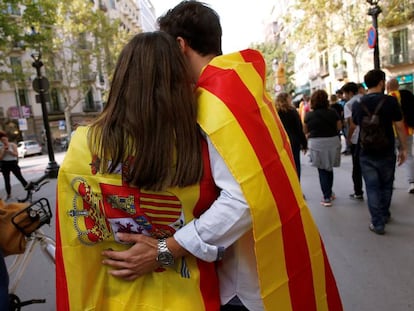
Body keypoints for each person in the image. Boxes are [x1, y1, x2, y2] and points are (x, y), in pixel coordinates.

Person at [102, 2, 343, 311]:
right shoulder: (242, 86)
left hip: (247, 280)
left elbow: (242, 199)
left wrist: (165, 249)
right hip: (272, 256)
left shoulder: (213, 100)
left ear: (180, 45)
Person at [56, 31, 221, 310]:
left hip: (110, 297)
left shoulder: (83, 145)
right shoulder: (199, 147)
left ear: (122, 80)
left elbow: (75, 243)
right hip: (187, 297)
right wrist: (162, 254)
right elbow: (212, 244)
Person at [352, 69, 407, 235]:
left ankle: (377, 223)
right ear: (381, 82)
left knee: (372, 186)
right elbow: (399, 126)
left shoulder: (358, 104)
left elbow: (355, 124)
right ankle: (384, 213)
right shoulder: (390, 101)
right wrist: (403, 148)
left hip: (366, 150)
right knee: (387, 184)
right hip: (386, 149)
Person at [304, 89, 342, 207]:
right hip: (332, 141)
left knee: (322, 170)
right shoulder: (333, 112)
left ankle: (326, 197)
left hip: (316, 143)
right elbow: (339, 127)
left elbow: (305, 130)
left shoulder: (309, 115)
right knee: (329, 168)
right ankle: (329, 193)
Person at [386, 78, 414, 194]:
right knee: (408, 156)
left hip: (391, 133)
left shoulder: (387, 98)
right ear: (398, 86)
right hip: (407, 130)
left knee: (390, 158)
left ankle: (390, 182)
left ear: (388, 87)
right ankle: (412, 182)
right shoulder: (407, 95)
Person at [275, 92, 307, 179]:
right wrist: (304, 143)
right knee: (295, 164)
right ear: (286, 100)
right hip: (293, 141)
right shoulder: (292, 112)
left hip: (280, 142)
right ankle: (296, 187)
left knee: (284, 165)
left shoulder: (275, 113)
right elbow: (299, 129)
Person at [342, 82, 364, 200]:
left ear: (350, 92)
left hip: (357, 139)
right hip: (371, 137)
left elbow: (352, 125)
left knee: (357, 167)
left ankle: (358, 191)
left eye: (345, 93)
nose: (344, 96)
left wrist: (348, 139)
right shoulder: (365, 99)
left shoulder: (349, 105)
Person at [0, 131, 28, 201]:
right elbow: (0, 158)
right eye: (2, 140)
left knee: (20, 177)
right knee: (6, 180)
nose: (4, 141)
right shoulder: (1, 147)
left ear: (7, 139)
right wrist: (3, 151)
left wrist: (9, 151)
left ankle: (29, 189)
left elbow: (16, 154)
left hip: (13, 163)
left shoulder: (12, 145)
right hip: (5, 164)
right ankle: (9, 194)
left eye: (5, 140)